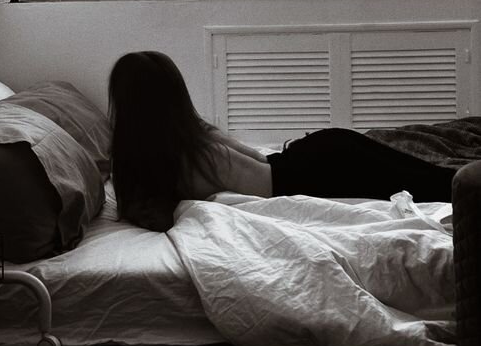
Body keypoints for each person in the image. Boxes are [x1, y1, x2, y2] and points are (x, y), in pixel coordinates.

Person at [108, 50, 455, 232]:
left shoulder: (163, 160)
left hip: (315, 169)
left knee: (436, 183)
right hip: (317, 156)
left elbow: (152, 216)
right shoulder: (193, 144)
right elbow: (256, 158)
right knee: (434, 179)